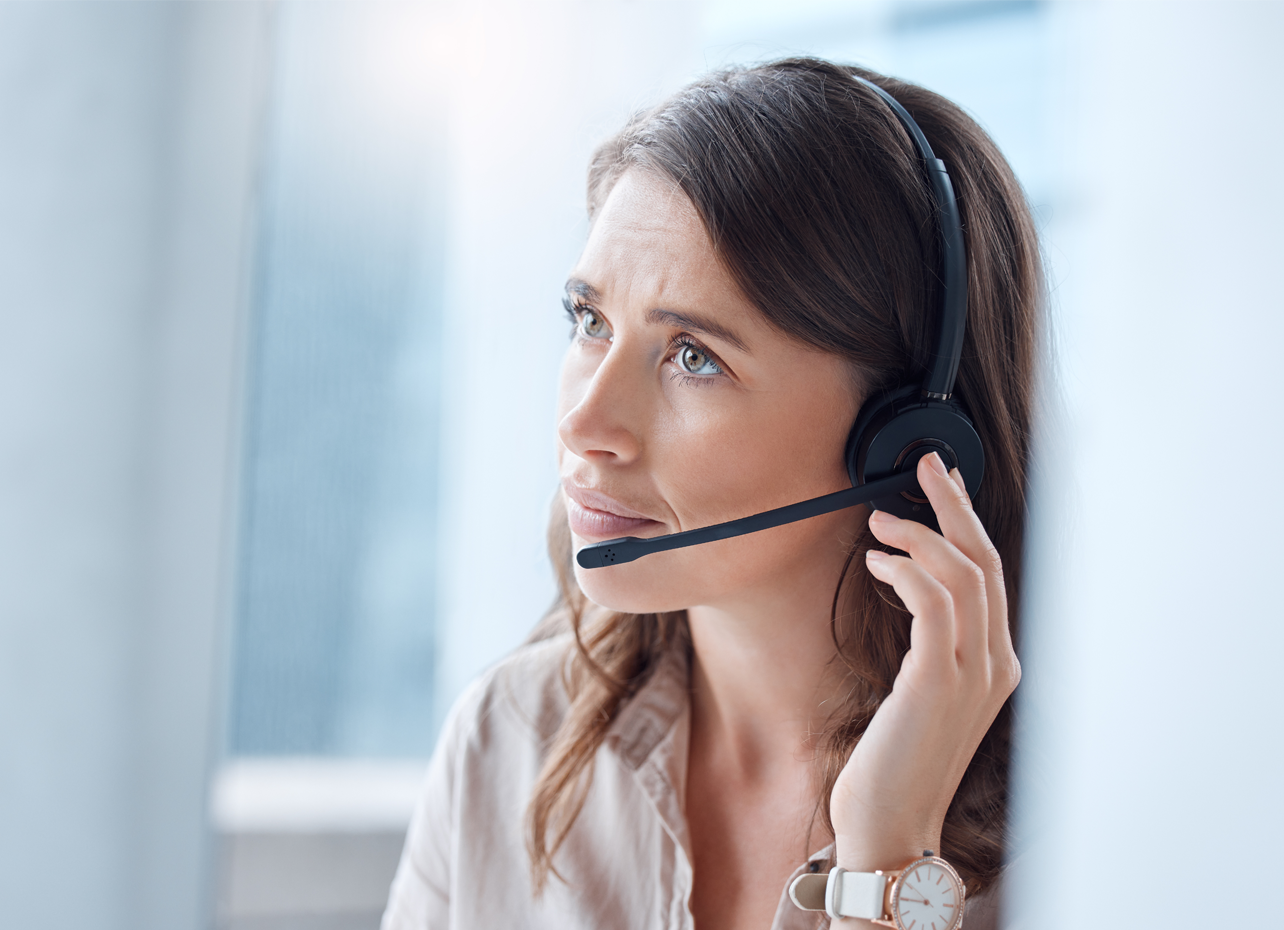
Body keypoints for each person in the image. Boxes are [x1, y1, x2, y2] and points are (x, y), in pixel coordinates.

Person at [382, 58, 1039, 930]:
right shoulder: (512, 739)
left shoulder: (1077, 826)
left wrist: (887, 862)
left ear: (903, 435)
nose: (585, 423)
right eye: (590, 322)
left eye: (694, 356)